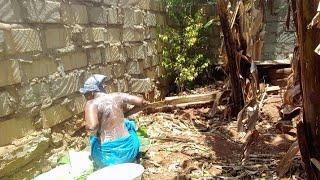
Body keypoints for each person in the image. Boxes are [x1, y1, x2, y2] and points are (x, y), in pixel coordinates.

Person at [79, 74, 149, 168]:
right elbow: (143, 103)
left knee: (93, 138)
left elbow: (92, 126)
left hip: (108, 158)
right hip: (130, 152)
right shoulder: (118, 95)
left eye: (85, 94)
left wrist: (88, 128)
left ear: (91, 93)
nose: (85, 97)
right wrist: (125, 115)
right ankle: (133, 156)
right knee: (129, 124)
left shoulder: (91, 103)